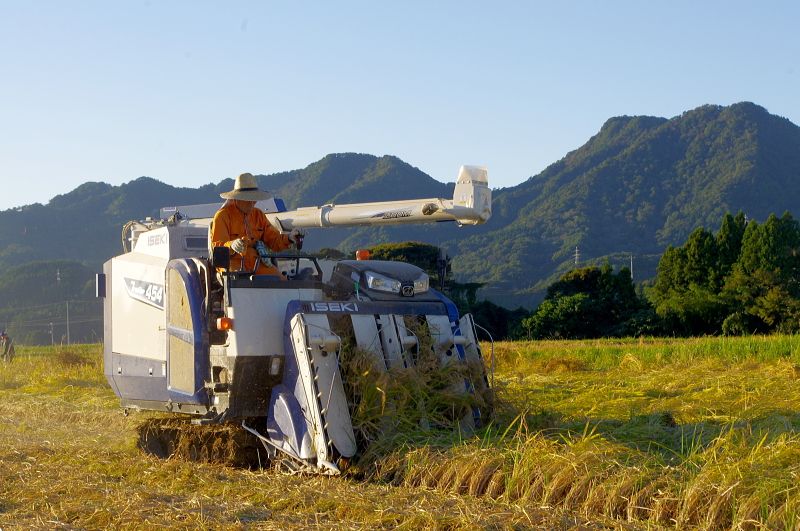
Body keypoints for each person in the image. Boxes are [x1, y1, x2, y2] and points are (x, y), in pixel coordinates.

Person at [211, 173, 307, 276]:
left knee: (280, 282)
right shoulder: (222, 216)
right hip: (232, 261)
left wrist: (289, 238)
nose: (251, 203)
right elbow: (217, 245)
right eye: (247, 199)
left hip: (257, 261)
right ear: (236, 199)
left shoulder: (258, 215)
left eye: (254, 199)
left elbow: (273, 240)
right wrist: (231, 245)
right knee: (237, 281)